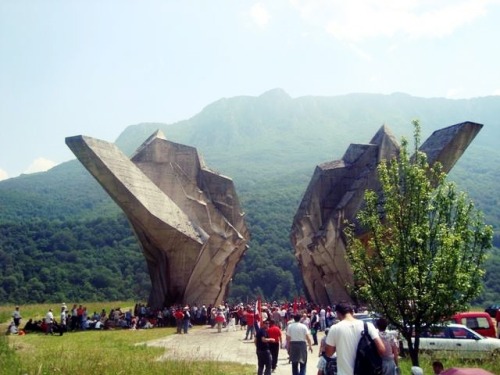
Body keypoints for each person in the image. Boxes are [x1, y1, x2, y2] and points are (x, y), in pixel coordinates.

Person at [325, 303, 385, 375]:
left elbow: (328, 353)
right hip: (367, 372)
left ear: (338, 314)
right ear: (352, 312)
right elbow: (382, 349)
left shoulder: (334, 329)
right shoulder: (368, 326)